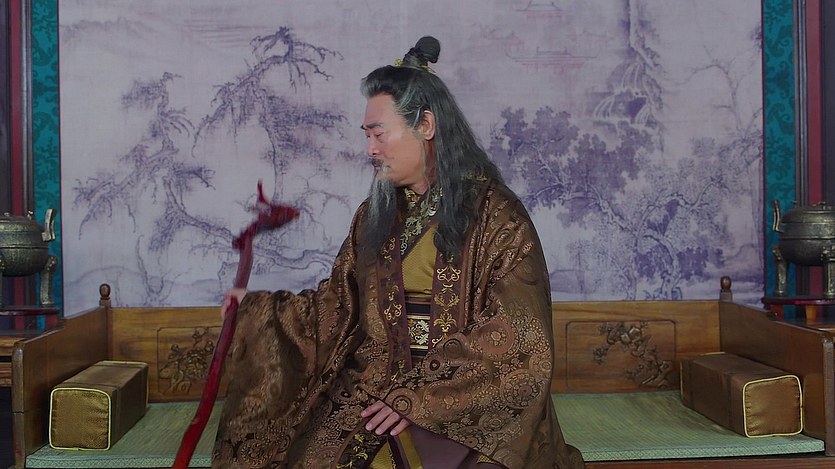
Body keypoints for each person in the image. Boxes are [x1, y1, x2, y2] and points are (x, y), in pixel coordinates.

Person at [212, 36, 585, 469]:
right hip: (373, 388)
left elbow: (518, 334)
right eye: (367, 136)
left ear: (425, 125)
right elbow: (336, 307)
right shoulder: (374, 217)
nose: (370, 149)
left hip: (467, 402)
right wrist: (257, 312)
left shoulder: (498, 217)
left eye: (379, 134)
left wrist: (420, 398)